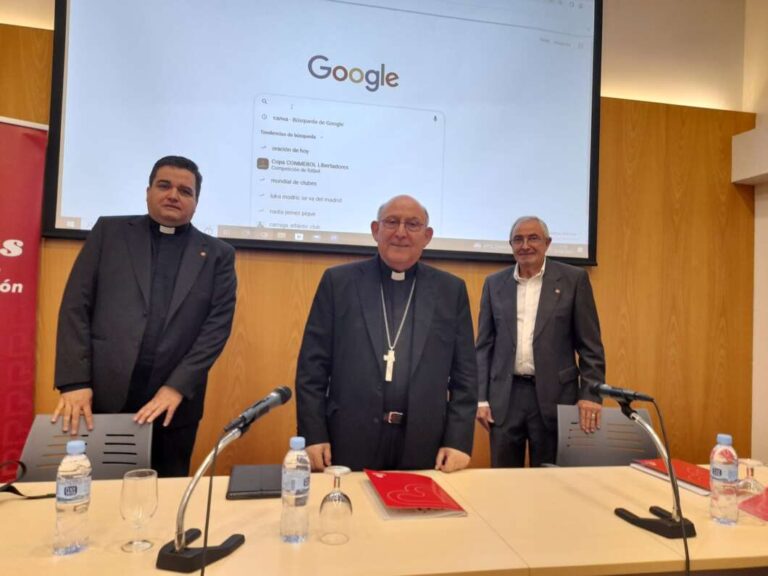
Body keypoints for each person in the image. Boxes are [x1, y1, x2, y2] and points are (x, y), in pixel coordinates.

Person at [52, 155, 237, 477]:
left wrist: (177, 387)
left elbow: (217, 328)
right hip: (100, 397)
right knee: (95, 489)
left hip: (173, 406)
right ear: (148, 191)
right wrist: (74, 382)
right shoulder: (109, 233)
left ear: (196, 202)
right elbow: (75, 306)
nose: (173, 195)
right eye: (164, 186)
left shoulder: (218, 254)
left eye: (185, 191)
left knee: (167, 492)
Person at [296, 195, 477, 473]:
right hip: (348, 438)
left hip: (425, 442)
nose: (401, 232)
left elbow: (465, 375)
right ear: (375, 230)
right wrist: (313, 434)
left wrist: (458, 440)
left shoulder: (450, 290)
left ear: (427, 236)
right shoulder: (339, 283)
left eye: (412, 224)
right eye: (391, 222)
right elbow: (312, 368)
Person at [475, 216, 605, 467]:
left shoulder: (573, 280)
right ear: (511, 245)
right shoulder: (494, 284)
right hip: (505, 398)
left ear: (547, 243)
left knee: (551, 479)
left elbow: (591, 346)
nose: (525, 245)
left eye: (533, 238)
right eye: (518, 240)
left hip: (555, 397)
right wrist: (481, 398)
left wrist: (591, 394)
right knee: (502, 479)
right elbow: (483, 346)